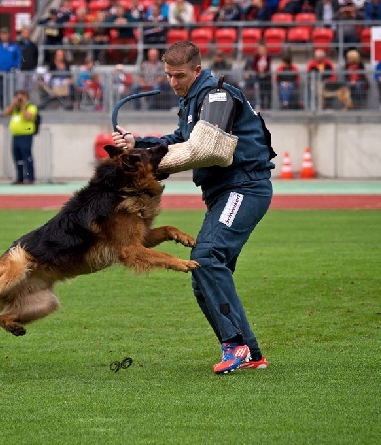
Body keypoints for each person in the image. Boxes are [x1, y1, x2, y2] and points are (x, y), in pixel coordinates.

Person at [112, 41, 275, 374]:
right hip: (223, 193)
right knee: (203, 274)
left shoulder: (218, 95)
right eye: (169, 76)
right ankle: (251, 354)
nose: (173, 83)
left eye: (179, 76)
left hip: (244, 188)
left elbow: (208, 150)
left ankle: (235, 346)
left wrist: (147, 165)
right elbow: (178, 140)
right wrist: (137, 144)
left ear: (197, 70)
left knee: (205, 257)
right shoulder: (192, 100)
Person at [4, 90, 38, 184]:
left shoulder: (31, 107)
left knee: (26, 156)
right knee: (17, 157)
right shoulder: (15, 108)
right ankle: (20, 178)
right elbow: (6, 113)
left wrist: (23, 106)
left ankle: (30, 177)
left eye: (21, 97)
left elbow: (29, 117)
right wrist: (13, 104)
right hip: (16, 135)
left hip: (26, 135)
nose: (19, 99)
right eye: (17, 97)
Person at [17, 27, 39, 91]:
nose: (26, 34)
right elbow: (18, 56)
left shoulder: (33, 45)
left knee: (30, 89)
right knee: (21, 88)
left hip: (31, 70)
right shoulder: (18, 44)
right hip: (21, 70)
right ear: (21, 34)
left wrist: (34, 65)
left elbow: (36, 56)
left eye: (27, 32)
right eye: (24, 33)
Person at [251, 43, 272, 110]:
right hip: (259, 77)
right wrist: (258, 69)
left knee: (268, 92)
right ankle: (262, 106)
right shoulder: (256, 57)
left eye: (263, 49)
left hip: (267, 77)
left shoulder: (268, 57)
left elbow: (268, 66)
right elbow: (253, 66)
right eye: (260, 49)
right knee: (261, 92)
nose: (261, 51)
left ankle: (269, 107)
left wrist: (264, 69)